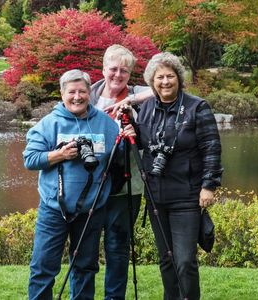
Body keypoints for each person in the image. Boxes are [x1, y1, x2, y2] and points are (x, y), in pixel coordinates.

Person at [24, 69, 135, 299]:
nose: (77, 97)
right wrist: (60, 155)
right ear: (62, 94)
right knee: (43, 269)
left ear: (89, 93)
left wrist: (130, 135)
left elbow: (119, 158)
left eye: (82, 91)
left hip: (91, 211)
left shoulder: (106, 123)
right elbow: (30, 159)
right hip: (54, 210)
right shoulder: (48, 124)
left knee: (85, 268)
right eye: (71, 92)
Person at [135, 52, 223, 300]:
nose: (165, 82)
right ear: (152, 81)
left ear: (179, 78)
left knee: (184, 261)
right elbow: (142, 143)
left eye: (170, 76)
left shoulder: (197, 107)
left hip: (186, 195)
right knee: (166, 259)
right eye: (159, 77)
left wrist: (209, 185)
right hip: (155, 196)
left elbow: (212, 148)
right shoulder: (146, 109)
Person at [89, 44, 153, 300]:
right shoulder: (87, 94)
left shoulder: (138, 95)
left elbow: (173, 87)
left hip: (127, 186)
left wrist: (130, 101)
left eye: (124, 71)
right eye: (113, 69)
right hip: (90, 186)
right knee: (86, 248)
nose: (117, 75)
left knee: (117, 248)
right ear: (103, 69)